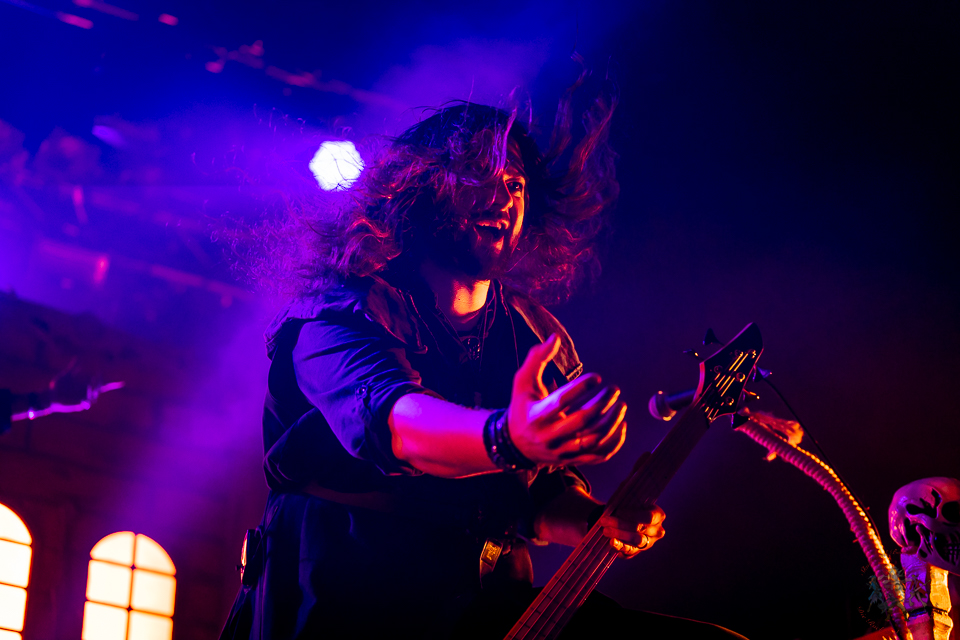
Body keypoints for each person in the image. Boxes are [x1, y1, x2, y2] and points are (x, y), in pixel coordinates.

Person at [220, 99, 746, 639]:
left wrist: (595, 519)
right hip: (345, 602)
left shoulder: (536, 335)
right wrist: (506, 437)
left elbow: (535, 497)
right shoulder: (338, 311)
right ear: (421, 189)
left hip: (487, 607)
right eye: (477, 176)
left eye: (515, 184)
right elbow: (397, 424)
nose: (502, 198)